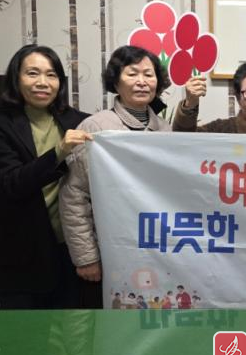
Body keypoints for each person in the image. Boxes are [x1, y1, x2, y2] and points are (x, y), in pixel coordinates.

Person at [0, 44, 92, 309]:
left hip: (69, 250)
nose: (43, 82)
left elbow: (121, 127)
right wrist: (58, 152)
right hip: (21, 254)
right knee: (22, 332)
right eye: (32, 73)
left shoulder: (78, 121)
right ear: (16, 78)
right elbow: (11, 184)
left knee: (71, 329)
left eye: (51, 75)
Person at [59, 45, 171, 296]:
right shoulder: (95, 128)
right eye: (132, 74)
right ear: (115, 81)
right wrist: (86, 257)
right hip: (108, 248)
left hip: (155, 250)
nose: (142, 81)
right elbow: (74, 196)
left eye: (149, 74)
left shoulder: (165, 129)